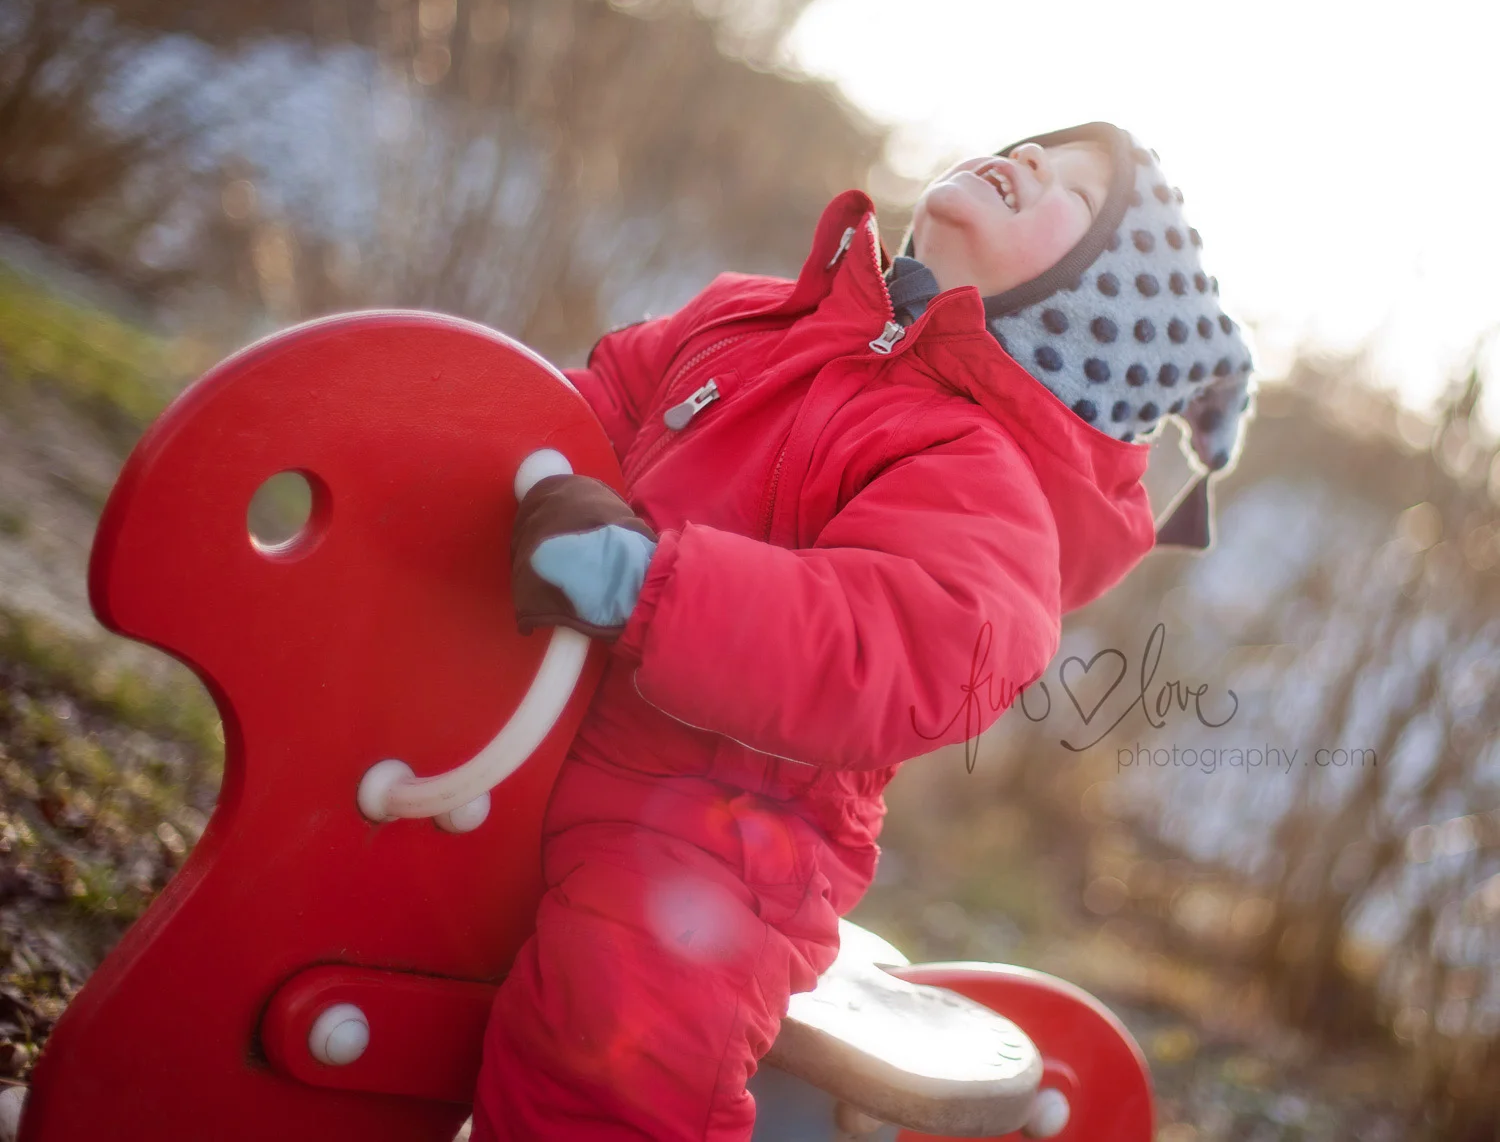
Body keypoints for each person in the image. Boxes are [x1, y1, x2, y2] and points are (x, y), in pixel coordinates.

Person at [472, 121, 1256, 1140]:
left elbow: (890, 646)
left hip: (720, 828)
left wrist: (645, 583)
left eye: (1073, 190)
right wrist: (494, 461)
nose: (1025, 159)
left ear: (1089, 318)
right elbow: (595, 407)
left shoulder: (984, 477)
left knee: (621, 1016)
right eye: (1034, 144)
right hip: (535, 702)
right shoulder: (752, 315)